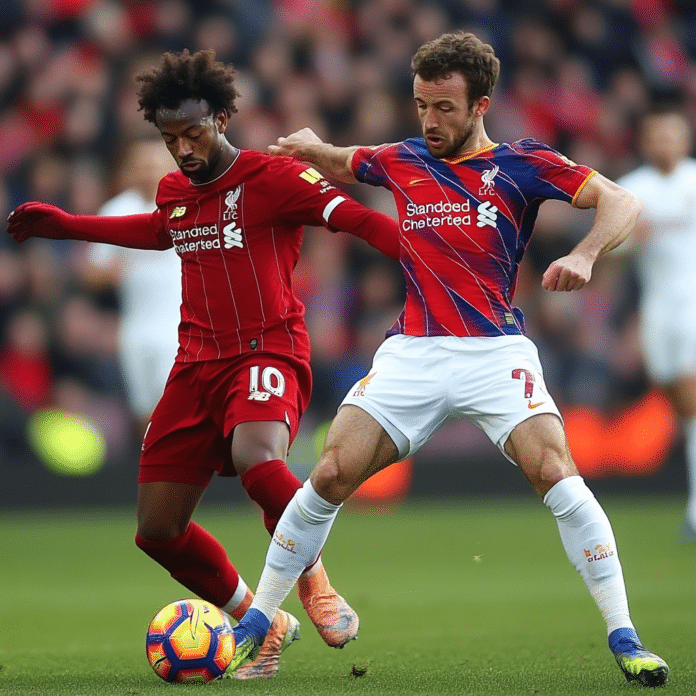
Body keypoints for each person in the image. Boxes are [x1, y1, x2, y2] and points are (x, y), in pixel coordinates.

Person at [228, 31, 670, 688]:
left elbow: (621, 200)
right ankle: (257, 625)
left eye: (444, 108)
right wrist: (311, 147)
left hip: (495, 351)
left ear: (481, 104)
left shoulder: (524, 163)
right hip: (414, 353)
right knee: (330, 472)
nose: (429, 121)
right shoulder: (404, 157)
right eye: (421, 105)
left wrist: (584, 253)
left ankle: (625, 635)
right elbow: (349, 160)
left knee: (554, 468)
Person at [6, 49, 402, 680]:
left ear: (222, 117)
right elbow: (160, 231)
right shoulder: (176, 191)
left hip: (266, 350)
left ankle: (315, 581)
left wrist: (427, 254)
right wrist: (67, 227)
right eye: (170, 139)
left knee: (258, 457)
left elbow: (354, 218)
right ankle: (260, 620)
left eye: (193, 133)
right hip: (194, 367)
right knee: (157, 532)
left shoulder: (272, 178)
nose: (183, 149)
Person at [617, 106, 696, 542]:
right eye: (656, 136)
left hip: (693, 304)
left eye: (672, 135)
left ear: (684, 140)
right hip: (657, 308)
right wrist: (628, 240)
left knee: (689, 396)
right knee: (673, 396)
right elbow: (605, 247)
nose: (664, 143)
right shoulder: (633, 190)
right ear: (645, 142)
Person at [85, 137, 181, 436]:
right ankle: (153, 476)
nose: (148, 171)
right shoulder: (116, 210)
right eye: (142, 164)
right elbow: (91, 272)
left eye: (154, 164)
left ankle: (181, 476)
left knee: (174, 408)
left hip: (179, 327)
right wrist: (114, 271)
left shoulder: (189, 207)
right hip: (136, 329)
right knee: (143, 411)